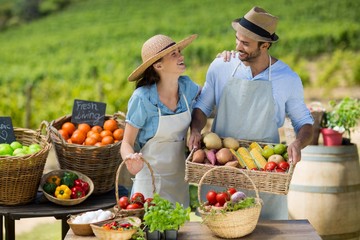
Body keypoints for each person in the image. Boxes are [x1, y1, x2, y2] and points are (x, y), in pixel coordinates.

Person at [187, 6, 314, 219]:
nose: (238, 46)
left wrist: (297, 143)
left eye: (245, 43)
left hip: (265, 174)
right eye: (237, 39)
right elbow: (202, 106)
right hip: (222, 170)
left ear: (265, 45)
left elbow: (305, 123)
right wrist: (196, 129)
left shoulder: (287, 78)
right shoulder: (221, 66)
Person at [120, 34, 200, 208]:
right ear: (158, 65)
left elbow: (205, 106)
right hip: (149, 179)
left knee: (179, 230)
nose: (181, 56)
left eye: (179, 51)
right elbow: (126, 142)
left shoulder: (188, 87)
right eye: (174, 54)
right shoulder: (142, 98)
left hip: (179, 177)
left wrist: (195, 129)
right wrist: (130, 160)